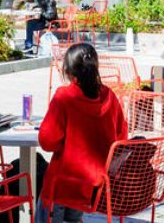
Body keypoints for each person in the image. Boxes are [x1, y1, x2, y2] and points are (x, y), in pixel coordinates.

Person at [36, 43, 129, 223]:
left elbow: (47, 142)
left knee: (45, 210)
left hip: (64, 181)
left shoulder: (64, 97)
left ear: (69, 71)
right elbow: (121, 135)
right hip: (95, 183)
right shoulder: (108, 95)